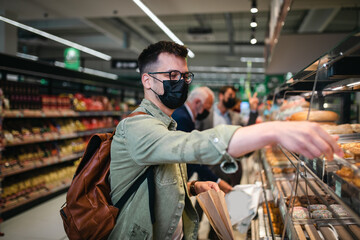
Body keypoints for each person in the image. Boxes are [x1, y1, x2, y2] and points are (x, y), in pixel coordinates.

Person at [109, 41, 343, 239]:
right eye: (171, 75)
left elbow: (155, 180)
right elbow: (191, 146)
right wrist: (274, 130)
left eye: (184, 75)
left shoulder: (167, 124)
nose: (180, 82)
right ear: (147, 81)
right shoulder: (135, 127)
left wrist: (193, 187)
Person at [172, 86, 233, 194]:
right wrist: (217, 180)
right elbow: (192, 157)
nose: (208, 111)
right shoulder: (182, 119)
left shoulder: (183, 115)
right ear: (197, 102)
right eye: (208, 107)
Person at [196, 86, 259, 187]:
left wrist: (253, 111)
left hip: (233, 170)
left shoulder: (235, 117)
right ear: (221, 96)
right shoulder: (207, 114)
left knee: (231, 199)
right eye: (230, 95)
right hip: (211, 169)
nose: (232, 98)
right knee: (209, 200)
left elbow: (247, 134)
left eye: (234, 96)